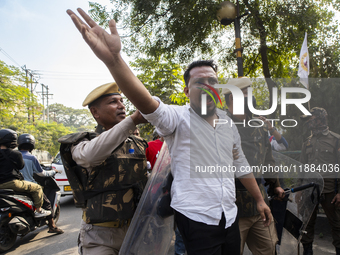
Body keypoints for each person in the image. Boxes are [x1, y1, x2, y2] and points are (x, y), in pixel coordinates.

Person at [66, 9, 273, 255]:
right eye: (199, 82)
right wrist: (114, 60)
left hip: (229, 215)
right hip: (196, 219)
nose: (207, 87)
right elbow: (147, 104)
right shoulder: (177, 117)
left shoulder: (227, 122)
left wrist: (259, 199)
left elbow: (240, 162)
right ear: (187, 91)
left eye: (213, 82)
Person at [58, 82, 148, 255]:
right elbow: (91, 156)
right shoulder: (82, 143)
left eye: (122, 101)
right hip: (100, 236)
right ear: (95, 112)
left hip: (137, 231)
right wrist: (133, 120)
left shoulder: (137, 143)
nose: (121, 106)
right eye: (113, 102)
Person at [223, 77, 285, 255]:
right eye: (244, 95)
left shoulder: (259, 125)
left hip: (259, 205)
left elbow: (268, 160)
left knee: (269, 248)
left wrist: (276, 185)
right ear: (231, 99)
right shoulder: (219, 126)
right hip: (232, 207)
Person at [300, 107, 340, 255]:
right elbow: (302, 168)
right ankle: (307, 251)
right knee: (307, 224)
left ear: (320, 119)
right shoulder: (308, 142)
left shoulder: (336, 140)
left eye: (311, 119)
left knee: (337, 225)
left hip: (330, 191)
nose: (308, 123)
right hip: (310, 191)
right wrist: (299, 191)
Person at [18, 133, 64, 234]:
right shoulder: (31, 158)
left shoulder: (13, 155)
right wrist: (53, 172)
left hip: (14, 186)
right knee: (47, 203)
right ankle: (52, 226)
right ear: (32, 145)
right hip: (29, 186)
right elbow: (42, 173)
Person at [0, 129, 51, 218]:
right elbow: (20, 166)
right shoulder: (16, 154)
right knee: (37, 188)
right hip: (11, 183)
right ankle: (38, 210)